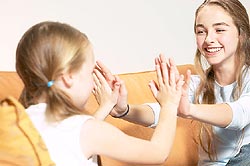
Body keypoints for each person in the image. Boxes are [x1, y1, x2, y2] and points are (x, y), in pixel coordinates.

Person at [15, 21, 185, 166]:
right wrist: (169, 104)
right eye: (90, 72)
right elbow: (157, 153)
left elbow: (71, 139)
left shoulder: (19, 121)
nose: (91, 81)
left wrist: (106, 105)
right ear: (68, 78)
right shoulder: (88, 130)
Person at [102, 0, 250, 165]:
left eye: (220, 30)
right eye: (201, 31)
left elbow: (240, 115)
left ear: (241, 34)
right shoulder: (194, 84)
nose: (208, 39)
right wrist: (124, 110)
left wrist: (190, 110)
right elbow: (161, 111)